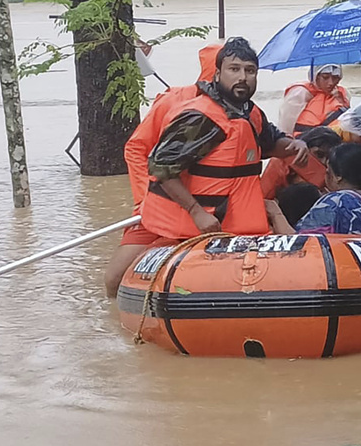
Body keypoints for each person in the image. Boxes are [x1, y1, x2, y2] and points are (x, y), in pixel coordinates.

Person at [136, 37, 309, 243]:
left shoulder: (250, 113)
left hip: (238, 229)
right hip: (195, 228)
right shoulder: (200, 117)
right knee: (114, 275)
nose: (242, 77)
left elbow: (271, 143)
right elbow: (160, 167)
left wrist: (296, 144)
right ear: (217, 75)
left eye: (250, 70)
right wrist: (196, 211)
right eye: (234, 69)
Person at [104, 42, 222, 298]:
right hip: (163, 205)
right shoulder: (174, 101)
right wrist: (143, 200)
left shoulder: (245, 113)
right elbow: (136, 149)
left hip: (215, 211)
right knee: (113, 280)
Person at [267, 143, 361, 235]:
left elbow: (300, 243)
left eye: (328, 171)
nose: (325, 175)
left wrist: (275, 213)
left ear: (338, 176)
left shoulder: (338, 201)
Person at [260, 126, 341, 200]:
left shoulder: (330, 181)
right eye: (319, 154)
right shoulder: (280, 164)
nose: (323, 162)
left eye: (328, 159)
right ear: (305, 149)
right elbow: (263, 198)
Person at [279, 63, 351, 137]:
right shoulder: (300, 93)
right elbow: (286, 124)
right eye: (325, 77)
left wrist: (339, 99)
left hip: (336, 138)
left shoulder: (342, 94)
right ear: (316, 77)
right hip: (306, 139)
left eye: (335, 78)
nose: (331, 83)